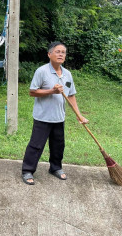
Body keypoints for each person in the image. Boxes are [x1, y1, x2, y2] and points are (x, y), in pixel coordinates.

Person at [21, 41, 88, 185]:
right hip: (42, 117)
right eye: (57, 51)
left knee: (58, 145)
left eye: (63, 52)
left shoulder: (67, 75)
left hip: (59, 117)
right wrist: (52, 90)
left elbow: (71, 95)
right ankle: (27, 170)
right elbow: (32, 92)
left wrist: (79, 115)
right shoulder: (42, 71)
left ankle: (55, 168)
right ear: (49, 54)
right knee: (36, 145)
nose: (61, 54)